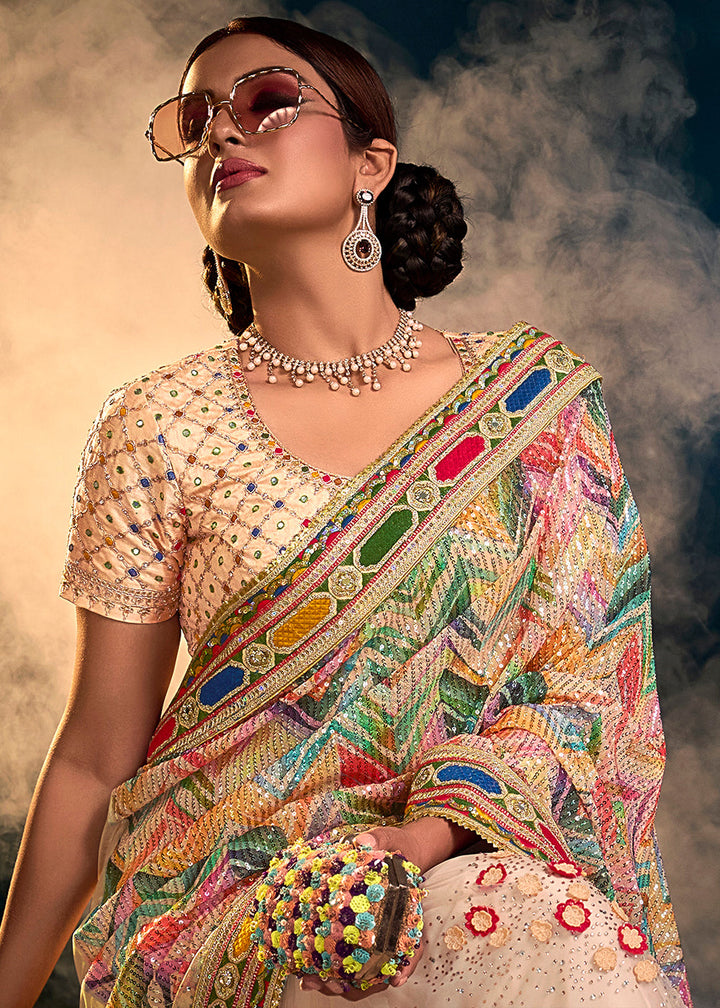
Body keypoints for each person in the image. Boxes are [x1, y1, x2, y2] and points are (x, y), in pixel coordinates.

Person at [0, 15, 692, 1008]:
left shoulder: (533, 406)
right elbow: (93, 758)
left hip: (484, 879)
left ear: (373, 163)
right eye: (195, 121)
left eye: (266, 102)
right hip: (242, 904)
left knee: (518, 923)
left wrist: (426, 838)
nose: (221, 133)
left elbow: (590, 692)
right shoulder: (159, 422)